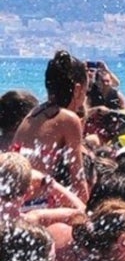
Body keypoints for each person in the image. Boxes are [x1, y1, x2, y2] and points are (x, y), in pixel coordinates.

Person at [12, 51, 90, 202]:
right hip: (34, 203)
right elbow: (78, 180)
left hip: (16, 197)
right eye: (86, 92)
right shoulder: (68, 119)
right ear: (78, 89)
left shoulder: (34, 113)